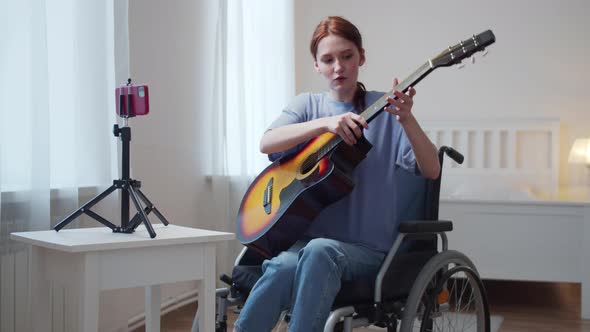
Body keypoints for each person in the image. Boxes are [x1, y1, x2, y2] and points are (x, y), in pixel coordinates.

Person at [233, 16, 440, 332]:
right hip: (307, 245)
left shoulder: (386, 110)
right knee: (282, 264)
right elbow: (267, 142)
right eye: (327, 59)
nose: (338, 67)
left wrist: (408, 120)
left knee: (319, 250)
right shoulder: (307, 106)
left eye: (346, 56)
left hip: (367, 252)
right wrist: (325, 125)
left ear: (362, 57)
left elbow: (431, 169)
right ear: (316, 65)